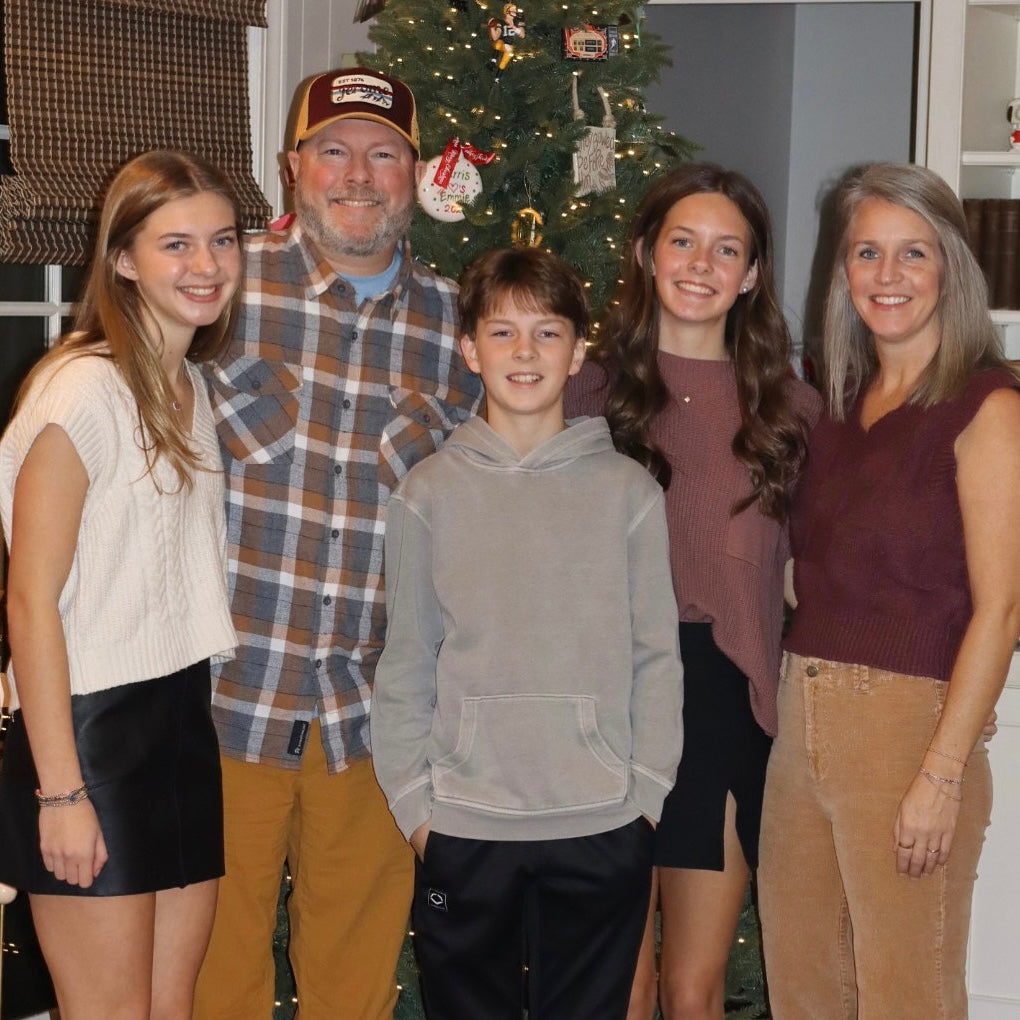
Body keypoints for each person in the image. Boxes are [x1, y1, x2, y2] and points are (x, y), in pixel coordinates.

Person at [193, 67, 483, 1020]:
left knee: (354, 988)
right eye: (334, 150)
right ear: (293, 167)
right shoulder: (219, 287)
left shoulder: (464, 331)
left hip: (374, 719)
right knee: (208, 977)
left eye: (384, 154)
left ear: (416, 174)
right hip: (219, 703)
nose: (358, 175)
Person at [370, 246, 683, 1019]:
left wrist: (645, 797)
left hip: (602, 823)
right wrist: (417, 810)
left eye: (547, 333)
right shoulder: (427, 494)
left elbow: (657, 658)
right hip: (464, 824)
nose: (525, 352)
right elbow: (406, 661)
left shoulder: (628, 493)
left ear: (578, 352)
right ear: (470, 350)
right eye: (502, 333)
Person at [758, 162, 1020, 1018]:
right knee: (804, 989)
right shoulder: (832, 403)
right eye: (867, 252)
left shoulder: (987, 406)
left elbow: (1002, 609)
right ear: (843, 271)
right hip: (801, 714)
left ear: (951, 266)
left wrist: (942, 772)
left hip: (907, 730)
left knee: (907, 997)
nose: (887, 274)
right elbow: (812, 568)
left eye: (914, 252)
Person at [565, 162, 822, 1020]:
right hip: (601, 702)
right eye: (683, 241)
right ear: (645, 252)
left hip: (723, 703)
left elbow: (828, 567)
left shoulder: (791, 411)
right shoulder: (582, 392)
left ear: (750, 274)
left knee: (691, 988)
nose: (701, 265)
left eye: (727, 249)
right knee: (617, 985)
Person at [0, 149, 242, 1018]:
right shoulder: (81, 391)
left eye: (222, 240)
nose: (206, 264)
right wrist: (62, 793)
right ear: (124, 260)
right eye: (177, 244)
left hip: (181, 723)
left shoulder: (190, 386)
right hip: (90, 736)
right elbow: (30, 603)